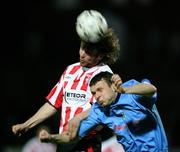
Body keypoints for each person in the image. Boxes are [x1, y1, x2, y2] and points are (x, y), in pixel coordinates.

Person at [12, 10, 120, 152]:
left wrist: (79, 119)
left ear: (99, 55)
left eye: (88, 51)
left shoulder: (104, 74)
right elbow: (53, 103)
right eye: (82, 47)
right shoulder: (70, 70)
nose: (82, 53)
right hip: (64, 143)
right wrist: (27, 124)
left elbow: (101, 109)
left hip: (87, 144)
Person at [38, 71, 168, 152]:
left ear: (112, 85)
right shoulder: (99, 111)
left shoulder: (131, 89)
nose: (97, 96)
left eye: (100, 90)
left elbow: (151, 89)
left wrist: (124, 90)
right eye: (94, 93)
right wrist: (50, 137)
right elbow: (72, 137)